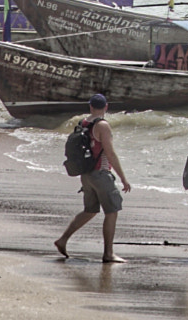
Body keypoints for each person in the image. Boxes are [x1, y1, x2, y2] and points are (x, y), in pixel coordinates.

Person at [56, 93, 131, 263]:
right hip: (101, 173)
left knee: (90, 210)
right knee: (112, 211)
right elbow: (110, 153)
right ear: (106, 107)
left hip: (86, 174)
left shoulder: (83, 123)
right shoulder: (103, 126)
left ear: (90, 107)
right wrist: (123, 178)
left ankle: (63, 239)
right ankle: (108, 253)